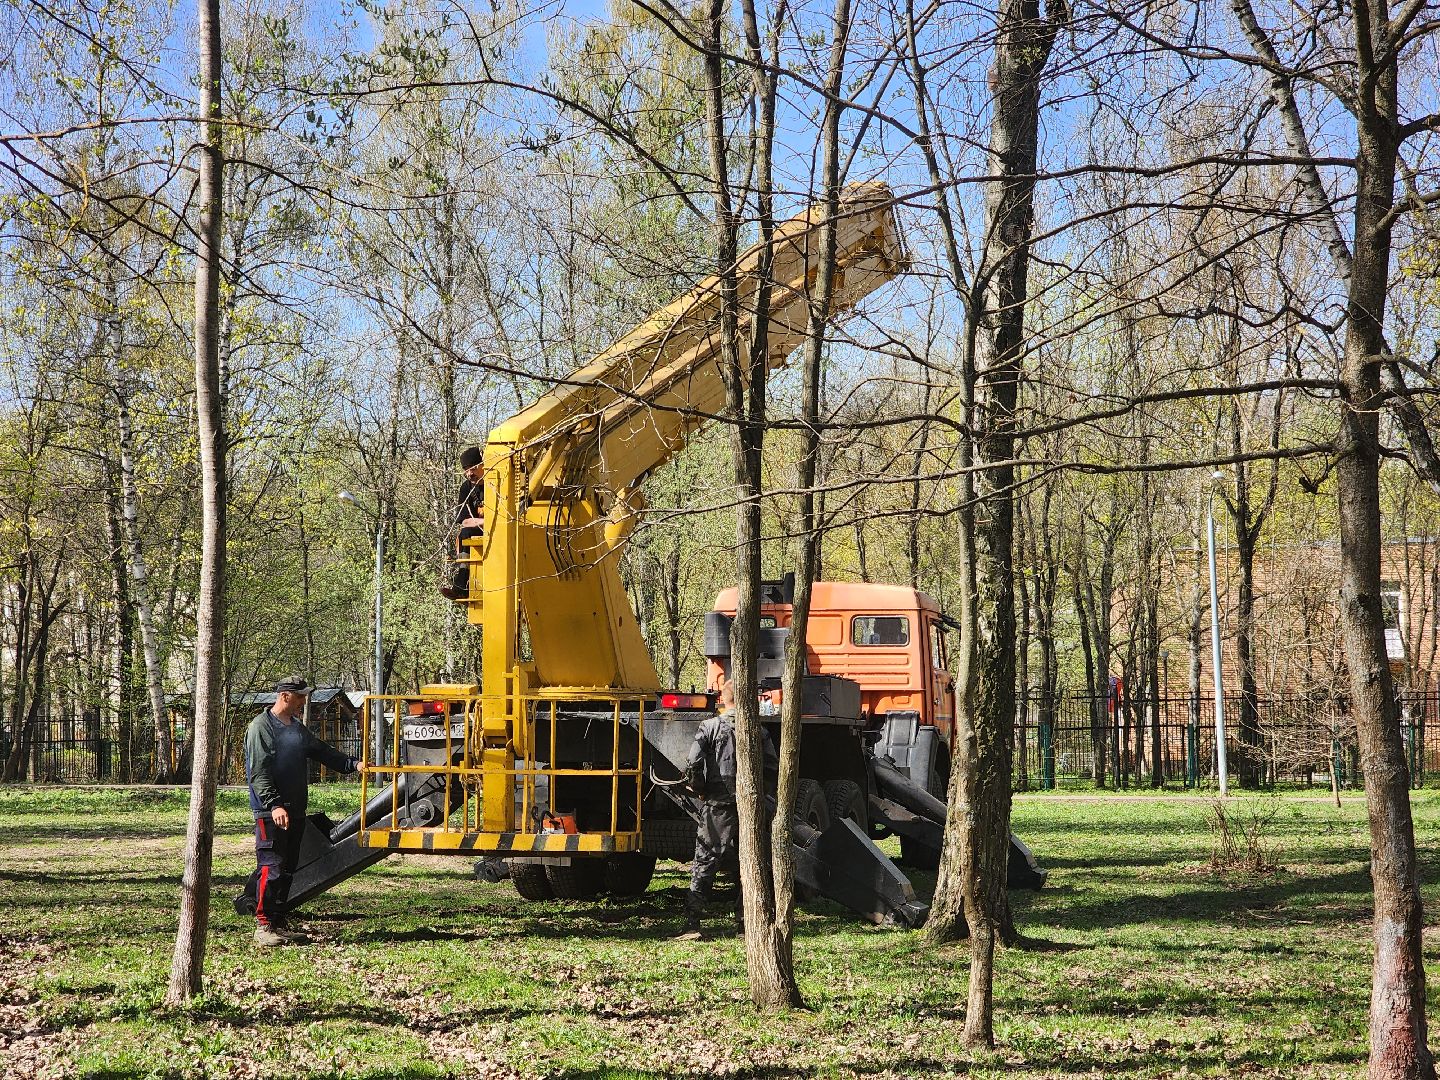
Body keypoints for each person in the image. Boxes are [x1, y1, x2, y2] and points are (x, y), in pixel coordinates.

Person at [244, 675, 358, 947]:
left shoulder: (295, 727)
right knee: (271, 867)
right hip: (271, 813)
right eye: (300, 696)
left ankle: (278, 921)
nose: (304, 701)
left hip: (295, 812)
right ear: (285, 696)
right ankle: (263, 926)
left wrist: (353, 764)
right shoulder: (261, 727)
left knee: (287, 870)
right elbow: (259, 773)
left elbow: (321, 751)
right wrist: (274, 805)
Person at [676, 678, 777, 940]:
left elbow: (693, 763)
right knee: (752, 861)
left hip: (718, 805)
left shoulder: (709, 727)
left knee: (705, 861)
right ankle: (746, 923)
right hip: (751, 805)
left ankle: (692, 923)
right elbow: (772, 768)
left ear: (723, 698)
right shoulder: (759, 730)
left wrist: (699, 789)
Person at [440, 445, 484, 601]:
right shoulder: (466, 488)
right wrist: (485, 521)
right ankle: (462, 582)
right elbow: (464, 520)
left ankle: (461, 585)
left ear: (483, 464)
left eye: (473, 468)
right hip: (481, 528)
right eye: (466, 469)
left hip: (502, 531)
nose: (469, 473)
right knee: (464, 534)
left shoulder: (497, 483)